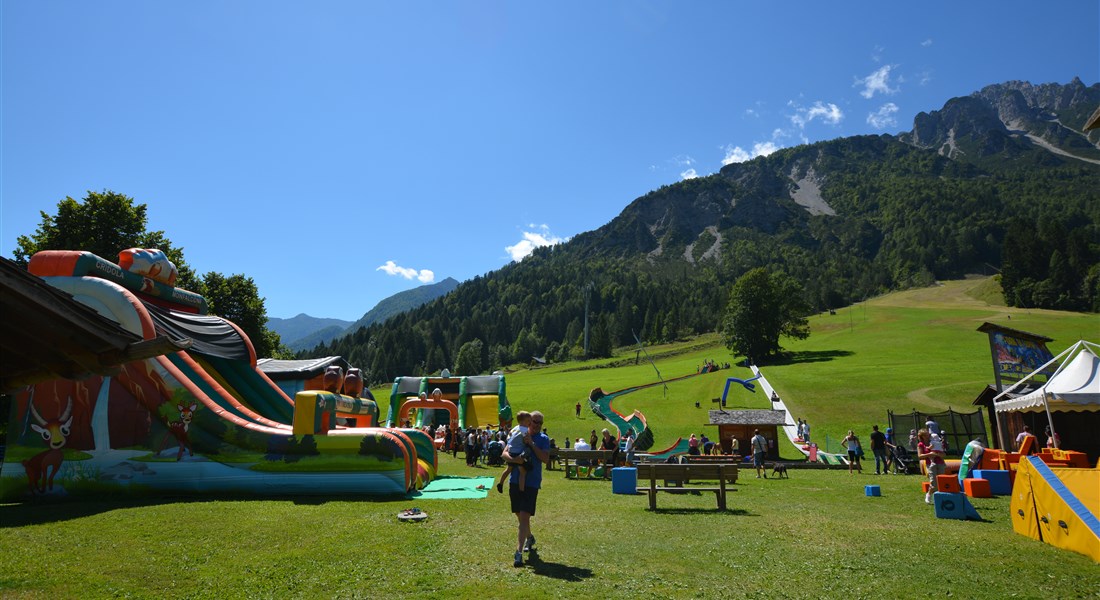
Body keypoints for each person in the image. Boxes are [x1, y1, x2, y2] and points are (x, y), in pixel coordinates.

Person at [503, 410, 550, 568]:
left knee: (524, 516)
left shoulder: (543, 439)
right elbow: (505, 453)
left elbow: (545, 459)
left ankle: (519, 553)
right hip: (515, 480)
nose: (536, 425)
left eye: (539, 423)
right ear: (528, 421)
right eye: (534, 421)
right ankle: (529, 537)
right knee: (519, 514)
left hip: (532, 482)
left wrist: (531, 443)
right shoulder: (517, 432)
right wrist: (514, 459)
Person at [496, 411, 533, 493]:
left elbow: (509, 437)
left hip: (510, 451)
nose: (530, 423)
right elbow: (526, 439)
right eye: (528, 421)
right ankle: (521, 490)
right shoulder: (524, 430)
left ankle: (500, 483)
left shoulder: (515, 428)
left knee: (508, 469)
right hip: (518, 453)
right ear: (522, 421)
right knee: (522, 472)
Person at [917, 428, 946, 504]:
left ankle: (939, 498)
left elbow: (944, 454)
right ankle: (928, 494)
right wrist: (929, 454)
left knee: (941, 482)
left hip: (940, 463)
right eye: (926, 434)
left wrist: (938, 454)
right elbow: (920, 456)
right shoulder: (921, 444)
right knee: (933, 483)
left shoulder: (935, 441)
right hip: (930, 464)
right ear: (922, 436)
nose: (928, 435)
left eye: (928, 434)